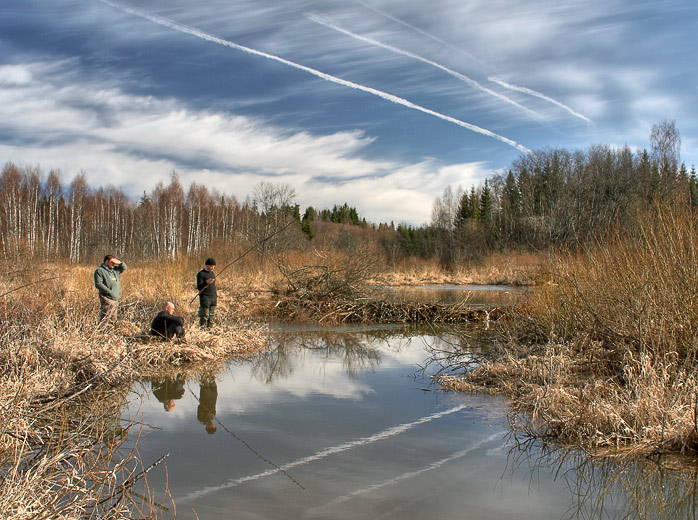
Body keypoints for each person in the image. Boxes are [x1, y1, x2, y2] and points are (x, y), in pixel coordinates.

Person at [94, 255, 127, 323]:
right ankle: (101, 332)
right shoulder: (100, 271)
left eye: (114, 263)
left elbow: (124, 268)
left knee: (113, 319)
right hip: (107, 298)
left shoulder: (114, 271)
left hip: (115, 298)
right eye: (112, 262)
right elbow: (98, 284)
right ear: (106, 262)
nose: (113, 264)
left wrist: (120, 262)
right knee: (105, 318)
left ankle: (111, 332)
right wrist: (109, 292)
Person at [196, 258, 217, 328]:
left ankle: (210, 329)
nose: (213, 267)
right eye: (211, 266)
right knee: (204, 315)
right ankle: (202, 329)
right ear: (207, 265)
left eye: (214, 266)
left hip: (213, 297)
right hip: (205, 297)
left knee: (211, 316)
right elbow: (199, 287)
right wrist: (206, 282)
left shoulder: (212, 273)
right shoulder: (201, 274)